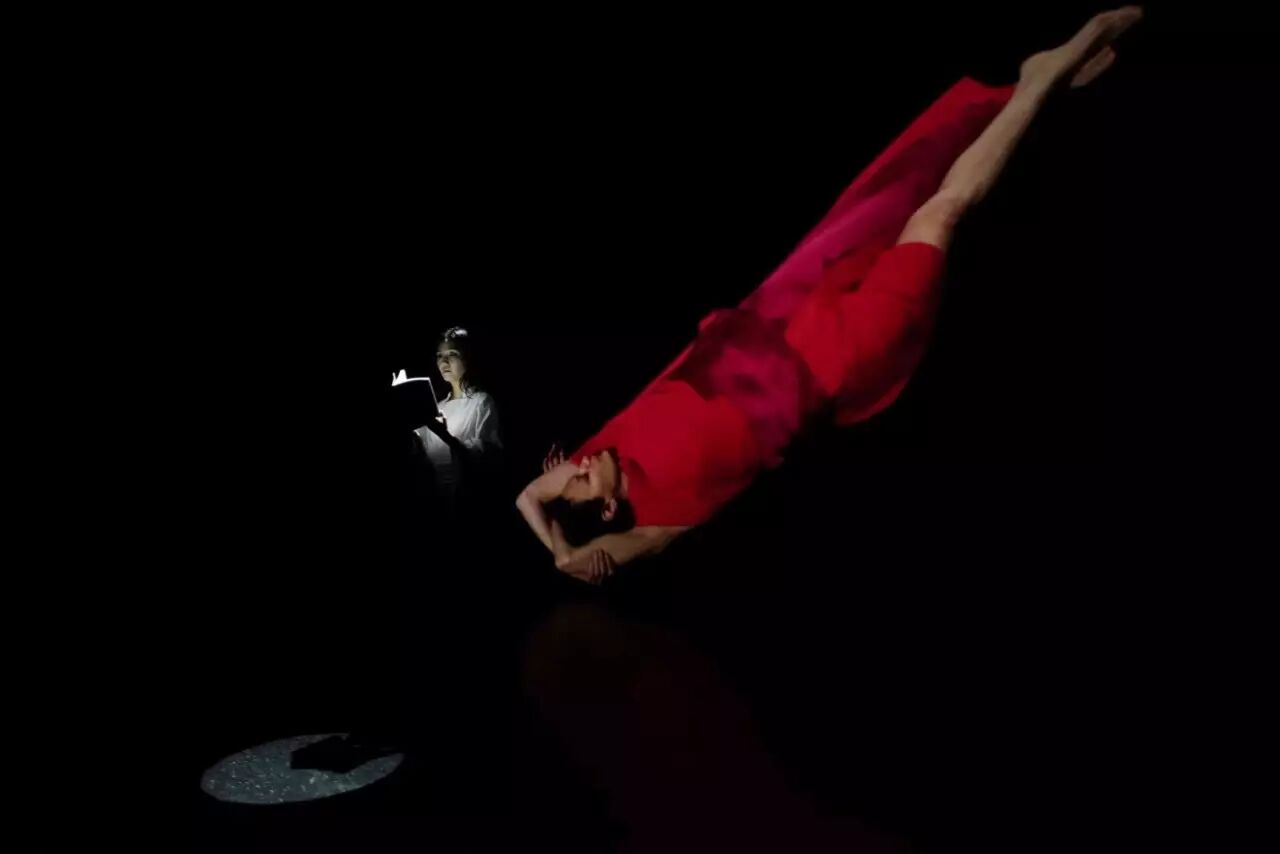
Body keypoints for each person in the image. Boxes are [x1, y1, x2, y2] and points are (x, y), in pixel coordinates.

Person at [517, 8, 1144, 584]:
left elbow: (527, 496)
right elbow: (619, 548)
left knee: (905, 188)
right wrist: (566, 556)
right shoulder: (668, 513)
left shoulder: (615, 436)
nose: (579, 461)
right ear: (605, 507)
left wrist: (551, 520)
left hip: (797, 304)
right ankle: (1040, 79)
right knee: (942, 214)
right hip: (839, 359)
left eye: (572, 466)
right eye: (579, 480)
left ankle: (1037, 89)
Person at [418, 326, 504, 511]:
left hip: (465, 498)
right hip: (432, 497)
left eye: (452, 354)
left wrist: (444, 435)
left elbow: (487, 457)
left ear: (467, 358)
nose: (444, 361)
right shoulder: (437, 407)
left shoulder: (481, 402)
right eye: (439, 356)